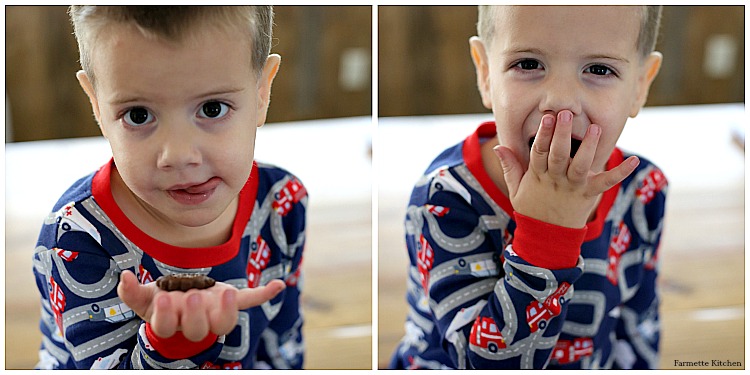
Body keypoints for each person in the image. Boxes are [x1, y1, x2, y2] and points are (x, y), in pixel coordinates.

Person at [390, 5, 665, 369]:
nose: (561, 101)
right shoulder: (445, 198)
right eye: (528, 64)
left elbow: (638, 330)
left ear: (640, 86)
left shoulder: (643, 189)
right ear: (486, 73)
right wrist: (547, 237)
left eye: (599, 69)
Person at [33, 6, 306, 369]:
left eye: (212, 109)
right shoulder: (77, 237)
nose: (178, 156)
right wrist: (170, 344)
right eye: (138, 115)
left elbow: (282, 340)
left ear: (261, 91)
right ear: (96, 104)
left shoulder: (281, 202)